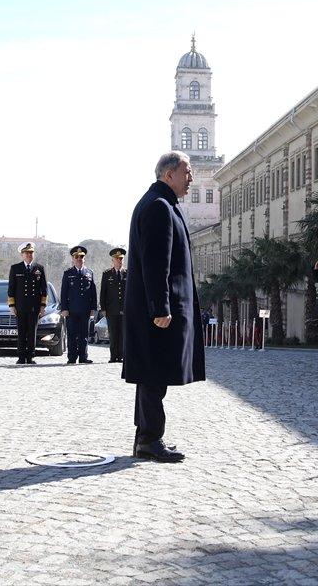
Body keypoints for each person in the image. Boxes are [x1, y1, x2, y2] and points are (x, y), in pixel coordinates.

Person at [122, 151, 205, 463]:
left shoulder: (162, 203)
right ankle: (150, 439)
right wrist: (161, 308)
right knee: (154, 374)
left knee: (151, 375)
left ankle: (146, 436)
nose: (191, 178)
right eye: (187, 171)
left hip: (156, 309)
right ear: (169, 174)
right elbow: (157, 264)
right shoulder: (158, 207)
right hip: (156, 313)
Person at [7, 242, 48, 365]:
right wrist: (12, 305)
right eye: (27, 253)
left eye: (31, 253)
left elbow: (44, 289)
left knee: (32, 332)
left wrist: (42, 306)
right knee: (21, 332)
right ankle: (21, 357)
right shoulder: (15, 268)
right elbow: (11, 289)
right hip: (20, 306)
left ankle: (30, 356)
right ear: (22, 254)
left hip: (34, 307)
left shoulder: (39, 268)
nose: (29, 255)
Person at [60, 245, 98, 364]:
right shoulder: (68, 273)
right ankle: (71, 358)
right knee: (72, 335)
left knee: (84, 334)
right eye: (76, 257)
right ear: (73, 259)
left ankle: (83, 357)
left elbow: (93, 291)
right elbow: (64, 292)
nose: (79, 259)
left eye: (81, 257)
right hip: (71, 310)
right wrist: (64, 308)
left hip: (85, 310)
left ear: (84, 258)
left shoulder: (89, 272)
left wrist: (93, 308)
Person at [100, 247, 127, 363]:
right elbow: (103, 293)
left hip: (124, 309)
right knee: (113, 333)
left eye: (121, 258)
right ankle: (113, 356)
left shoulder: (128, 273)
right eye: (117, 259)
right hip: (111, 309)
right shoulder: (107, 274)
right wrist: (103, 308)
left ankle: (121, 356)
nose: (119, 261)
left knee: (122, 333)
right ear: (113, 260)